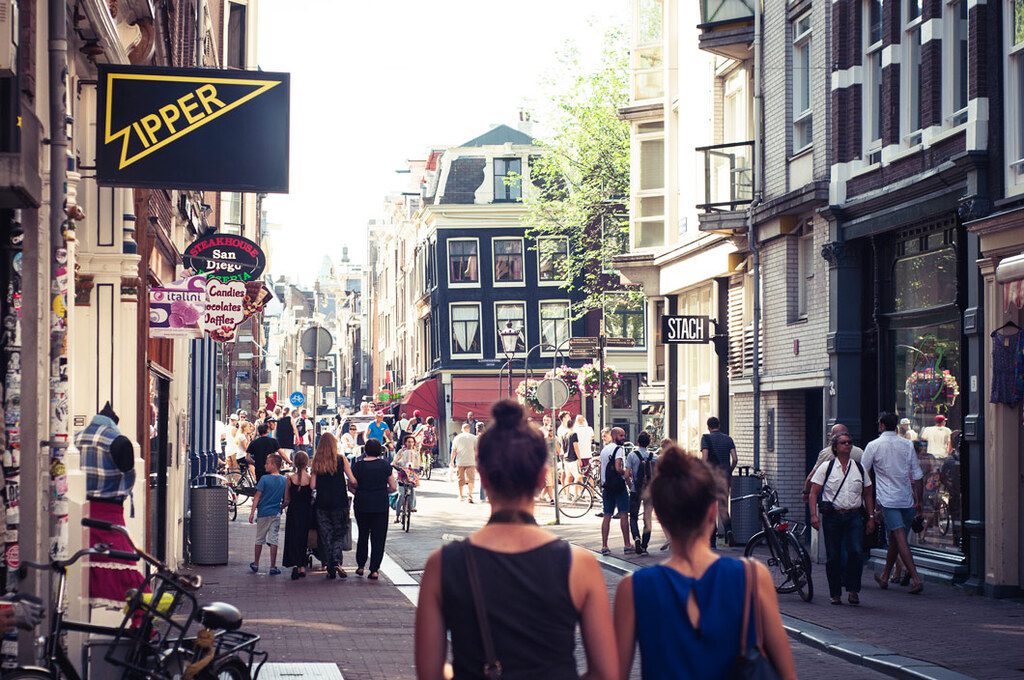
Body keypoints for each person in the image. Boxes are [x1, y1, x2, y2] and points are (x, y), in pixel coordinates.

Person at [414, 401, 617, 680]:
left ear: (482, 476)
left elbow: (430, 674)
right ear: (542, 477)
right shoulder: (579, 564)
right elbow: (606, 674)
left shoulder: (442, 565)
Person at [613, 445, 796, 680]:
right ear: (712, 512)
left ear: (659, 514)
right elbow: (788, 675)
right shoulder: (752, 576)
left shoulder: (633, 588)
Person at [77, 402, 145, 608]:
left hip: (82, 515)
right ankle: (140, 627)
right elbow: (129, 477)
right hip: (110, 515)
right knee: (127, 574)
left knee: (85, 571)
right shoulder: (119, 441)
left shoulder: (76, 438)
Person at [808, 433, 876, 605]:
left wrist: (871, 517)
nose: (847, 445)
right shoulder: (827, 467)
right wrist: (814, 516)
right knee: (834, 555)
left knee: (855, 552)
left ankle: (853, 590)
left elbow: (868, 493)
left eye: (850, 443)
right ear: (836, 447)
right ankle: (835, 593)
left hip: (854, 515)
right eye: (843, 443)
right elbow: (814, 492)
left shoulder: (859, 468)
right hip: (833, 517)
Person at [862, 412, 925, 595]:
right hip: (906, 500)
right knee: (896, 541)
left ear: (881, 425)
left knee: (899, 539)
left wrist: (868, 503)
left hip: (888, 500)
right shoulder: (906, 445)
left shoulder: (873, 446)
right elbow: (918, 475)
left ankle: (916, 578)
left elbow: (863, 474)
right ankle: (884, 576)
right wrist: (919, 501)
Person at [311, 433, 357, 579]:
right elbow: (353, 479)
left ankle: (329, 562)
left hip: (322, 503)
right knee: (339, 532)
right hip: (339, 502)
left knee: (326, 534)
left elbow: (312, 485)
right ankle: (335, 561)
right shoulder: (341, 459)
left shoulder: (316, 461)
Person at [352, 439, 397, 580]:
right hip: (380, 504)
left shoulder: (358, 465)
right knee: (378, 537)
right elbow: (394, 487)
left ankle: (360, 565)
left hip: (362, 503)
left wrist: (361, 492)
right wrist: (384, 491)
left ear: (365, 450)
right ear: (380, 451)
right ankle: (374, 569)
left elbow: (351, 485)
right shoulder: (384, 465)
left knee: (363, 534)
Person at [802, 423, 864, 503]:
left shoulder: (826, 453)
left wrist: (806, 492)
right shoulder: (859, 452)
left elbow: (812, 477)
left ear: (833, 437)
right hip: (854, 501)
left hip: (832, 503)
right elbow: (866, 481)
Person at [699, 416, 738, 545]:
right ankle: (729, 531)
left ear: (708, 427)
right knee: (723, 508)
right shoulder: (728, 439)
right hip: (724, 478)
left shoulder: (706, 438)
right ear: (719, 425)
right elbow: (735, 459)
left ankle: (712, 541)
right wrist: (729, 470)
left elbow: (704, 459)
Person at [248, 453, 287, 576]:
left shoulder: (264, 479)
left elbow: (257, 497)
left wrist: (252, 512)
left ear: (274, 465)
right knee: (274, 539)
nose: (265, 465)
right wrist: (280, 508)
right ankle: (273, 566)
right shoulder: (284, 480)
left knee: (259, 538)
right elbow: (286, 500)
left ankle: (256, 563)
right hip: (275, 513)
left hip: (263, 513)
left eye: (267, 463)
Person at [281, 450, 314, 580]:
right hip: (306, 511)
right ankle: (302, 566)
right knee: (303, 538)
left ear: (294, 462)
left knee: (293, 537)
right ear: (307, 463)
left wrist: (281, 508)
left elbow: (287, 499)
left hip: (293, 511)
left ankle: (295, 564)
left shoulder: (289, 478)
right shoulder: (310, 479)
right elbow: (312, 496)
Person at [599, 427, 631, 555]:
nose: (623, 438)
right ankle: (627, 545)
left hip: (607, 486)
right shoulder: (619, 449)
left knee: (607, 515)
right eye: (621, 436)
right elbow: (618, 468)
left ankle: (604, 546)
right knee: (624, 514)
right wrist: (626, 473)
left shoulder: (604, 450)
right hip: (618, 486)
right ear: (614, 436)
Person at [626, 431, 658, 556]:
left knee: (633, 517)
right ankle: (644, 546)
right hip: (649, 491)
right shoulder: (654, 456)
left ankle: (636, 538)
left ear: (638, 442)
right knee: (647, 518)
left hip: (636, 490)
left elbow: (627, 474)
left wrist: (630, 486)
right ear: (649, 443)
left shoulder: (632, 455)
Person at [394, 434, 422, 518]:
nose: (410, 443)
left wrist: (420, 468)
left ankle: (412, 506)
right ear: (405, 443)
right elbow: (395, 461)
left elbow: (419, 463)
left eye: (412, 442)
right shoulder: (401, 451)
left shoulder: (416, 452)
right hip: (402, 474)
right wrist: (395, 466)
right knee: (401, 495)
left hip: (413, 475)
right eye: (409, 442)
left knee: (412, 490)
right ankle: (397, 515)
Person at [450, 423, 478, 502]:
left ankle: (461, 495)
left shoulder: (457, 438)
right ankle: (470, 496)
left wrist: (451, 461)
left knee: (460, 479)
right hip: (471, 461)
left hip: (460, 462)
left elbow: (453, 450)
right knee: (471, 479)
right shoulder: (474, 438)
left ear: (462, 429)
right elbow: (476, 450)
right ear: (469, 429)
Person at [539, 415, 560, 504]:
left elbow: (558, 451)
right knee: (549, 483)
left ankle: (542, 496)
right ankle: (552, 499)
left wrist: (555, 441)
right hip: (546, 464)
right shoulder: (544, 440)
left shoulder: (555, 439)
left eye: (552, 430)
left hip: (554, 463)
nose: (550, 432)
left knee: (551, 483)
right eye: (549, 430)